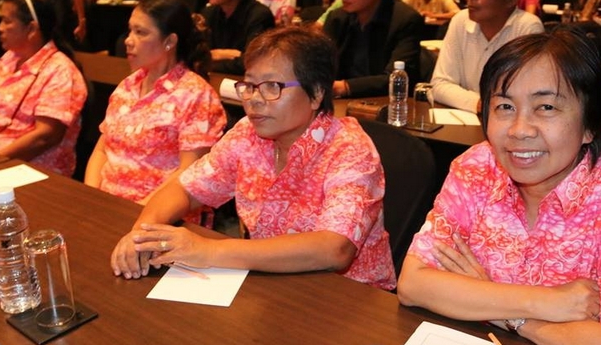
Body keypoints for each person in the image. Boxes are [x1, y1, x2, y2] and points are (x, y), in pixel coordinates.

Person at [398, 30, 601, 345]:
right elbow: (413, 284)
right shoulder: (476, 167)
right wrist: (547, 302)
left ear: (590, 126)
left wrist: (506, 313)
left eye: (546, 107)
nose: (519, 129)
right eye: (505, 107)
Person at [110, 27, 396, 290]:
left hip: (349, 297)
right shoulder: (247, 134)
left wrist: (209, 250)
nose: (255, 99)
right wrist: (141, 236)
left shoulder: (349, 149)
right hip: (274, 283)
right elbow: (184, 188)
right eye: (249, 86)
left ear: (316, 94)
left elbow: (335, 248)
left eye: (272, 87)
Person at [85, 0, 226, 219]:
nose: (128, 40)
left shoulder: (195, 94)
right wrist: (91, 197)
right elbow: (103, 149)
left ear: (169, 41)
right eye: (130, 31)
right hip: (107, 208)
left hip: (159, 216)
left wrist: (133, 212)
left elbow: (188, 173)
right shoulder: (127, 86)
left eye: (140, 32)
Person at [0, 0, 87, 176]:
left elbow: (45, 137)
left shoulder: (60, 70)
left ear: (32, 28)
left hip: (30, 170)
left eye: (7, 21)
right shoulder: (9, 59)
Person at [431, 0, 544, 113]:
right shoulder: (460, 20)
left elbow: (523, 97)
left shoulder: (526, 27)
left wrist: (468, 101)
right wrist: (479, 103)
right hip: (466, 118)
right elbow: (439, 84)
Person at [323, 0, 422, 98]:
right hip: (339, 105)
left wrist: (344, 87)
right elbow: (319, 68)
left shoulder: (404, 20)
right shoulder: (337, 19)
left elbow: (396, 78)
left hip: (386, 105)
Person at [202, 0, 275, 75]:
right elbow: (196, 56)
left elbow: (251, 63)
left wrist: (215, 56)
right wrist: (228, 54)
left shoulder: (259, 16)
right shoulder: (209, 13)